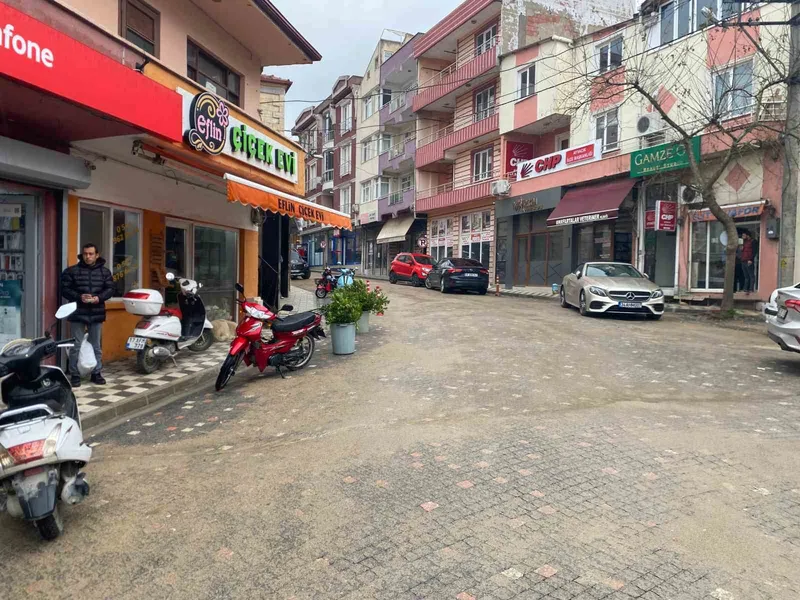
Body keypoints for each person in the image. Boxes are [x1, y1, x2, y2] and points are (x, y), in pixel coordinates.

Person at [60, 243, 115, 386]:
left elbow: (110, 289)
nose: (88, 256)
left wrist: (98, 298)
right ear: (82, 254)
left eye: (91, 254)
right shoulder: (72, 271)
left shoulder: (105, 272)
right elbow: (64, 289)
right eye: (85, 254)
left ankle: (96, 373)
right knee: (76, 345)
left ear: (97, 255)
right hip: (78, 312)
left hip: (96, 312)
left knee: (96, 345)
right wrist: (79, 297)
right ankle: (75, 374)